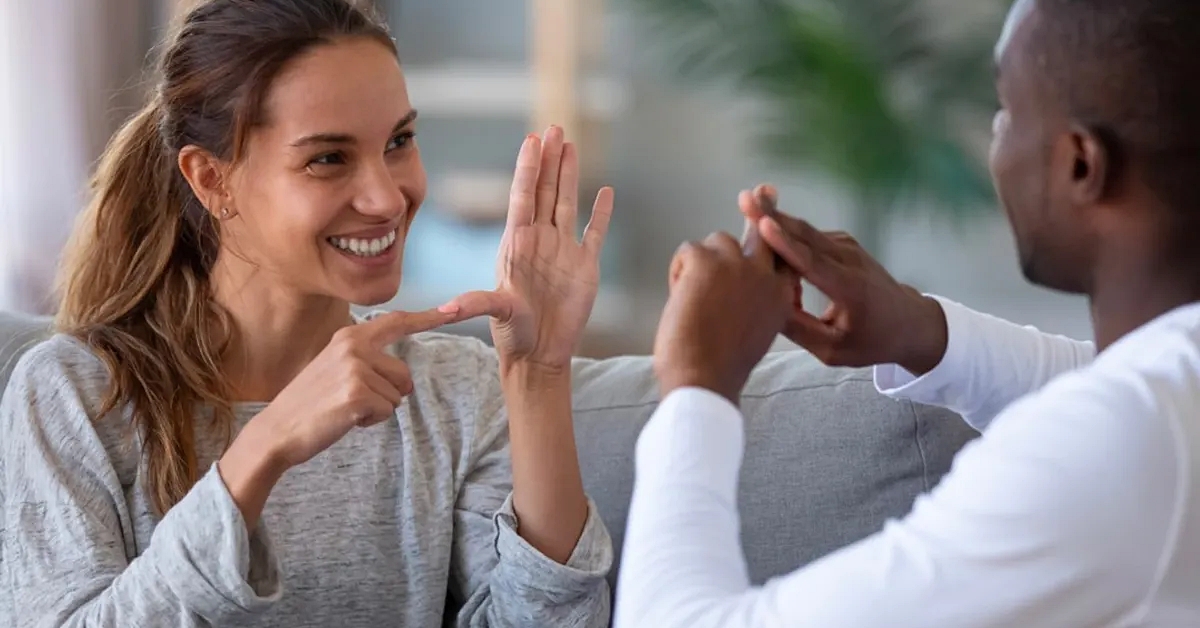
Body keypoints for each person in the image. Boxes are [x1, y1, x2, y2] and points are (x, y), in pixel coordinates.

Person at [0, 1, 617, 626]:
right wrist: (264, 447)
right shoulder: (73, 395)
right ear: (211, 179)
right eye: (328, 158)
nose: (386, 198)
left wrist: (539, 377)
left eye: (399, 141)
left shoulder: (454, 393)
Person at [615, 0, 1200, 625]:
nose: (996, 139)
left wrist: (698, 384)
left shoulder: (1112, 448)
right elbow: (1119, 388)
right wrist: (922, 331)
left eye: (1006, 115)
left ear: (1081, 163)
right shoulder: (1165, 396)